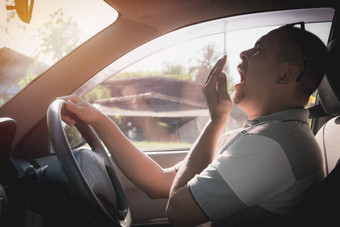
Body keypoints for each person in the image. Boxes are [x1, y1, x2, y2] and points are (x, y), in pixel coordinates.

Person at [60, 24, 328, 227]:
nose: (244, 53)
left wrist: (216, 121)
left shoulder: (273, 145)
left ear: (287, 74)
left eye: (258, 49)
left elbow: (177, 212)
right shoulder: (262, 132)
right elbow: (161, 182)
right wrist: (97, 119)